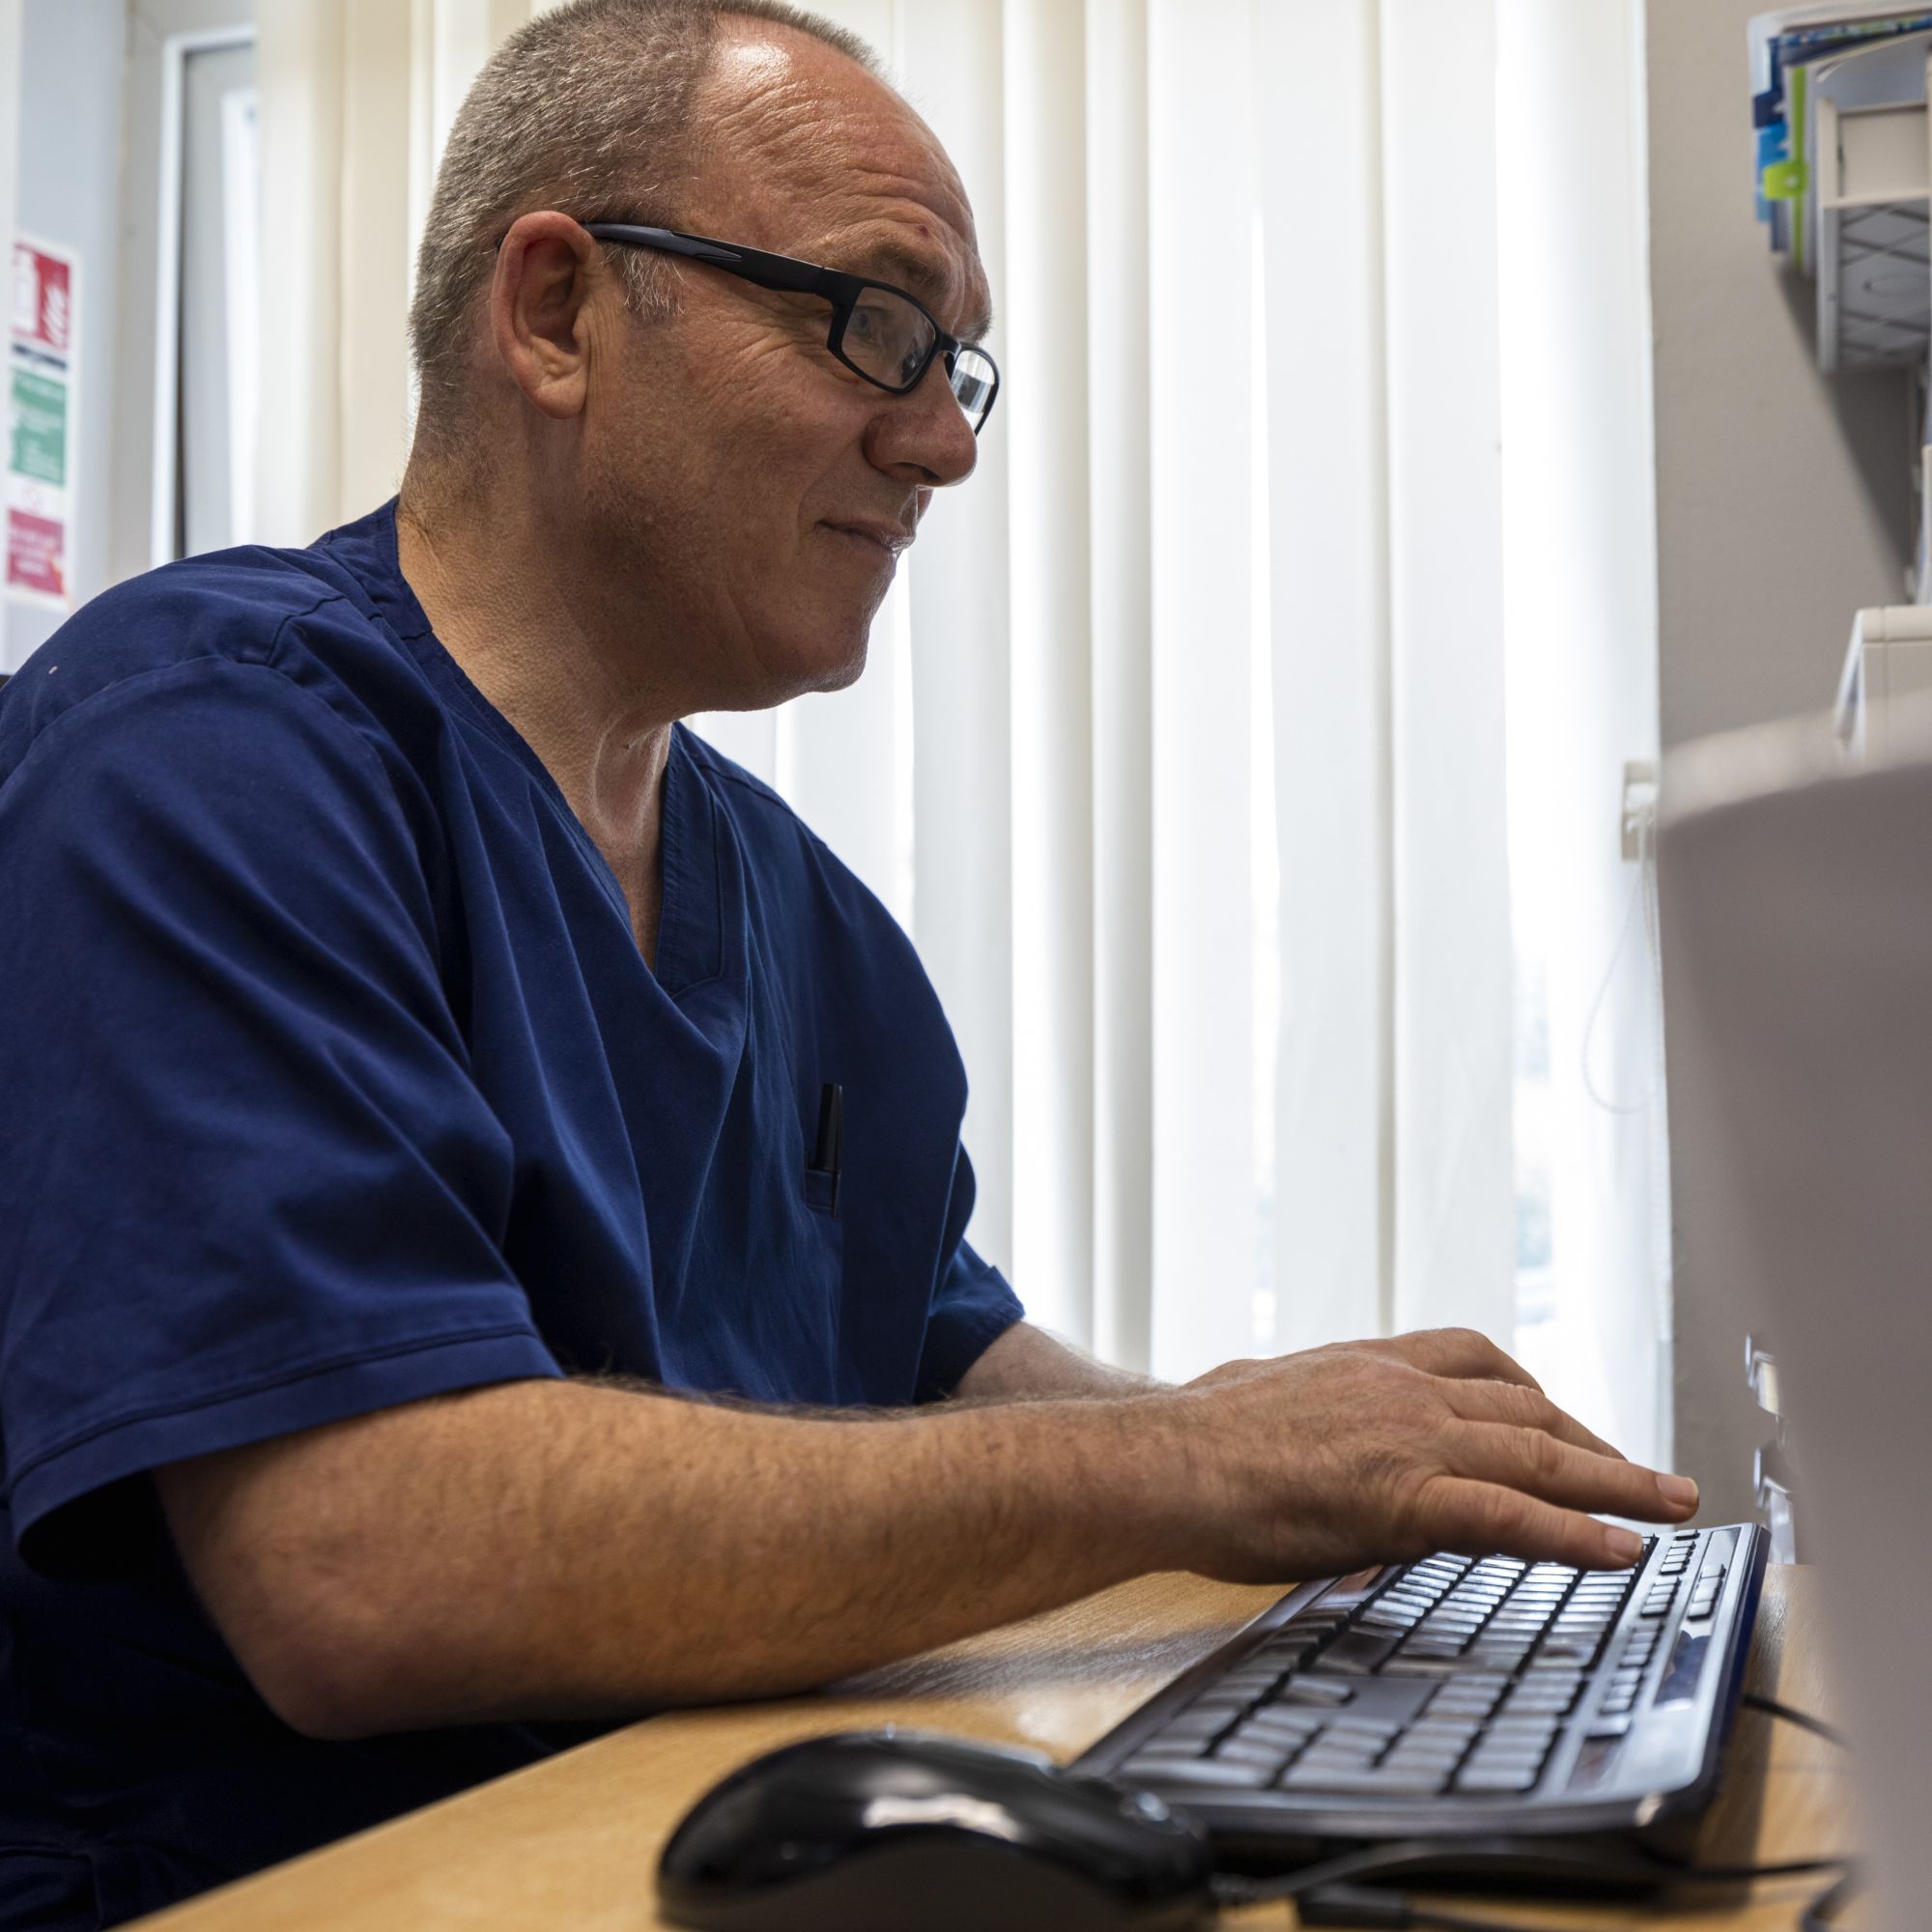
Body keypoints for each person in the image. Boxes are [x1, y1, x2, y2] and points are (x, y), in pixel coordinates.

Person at [0, 2, 1697, 1924]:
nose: (942, 445)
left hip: (690, 1830)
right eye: (875, 323)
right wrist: (1199, 1462)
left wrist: (1344, 1491)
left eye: (957, 364)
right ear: (556, 310)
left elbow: (938, 1361)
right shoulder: (206, 759)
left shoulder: (804, 919)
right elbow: (362, 1563)